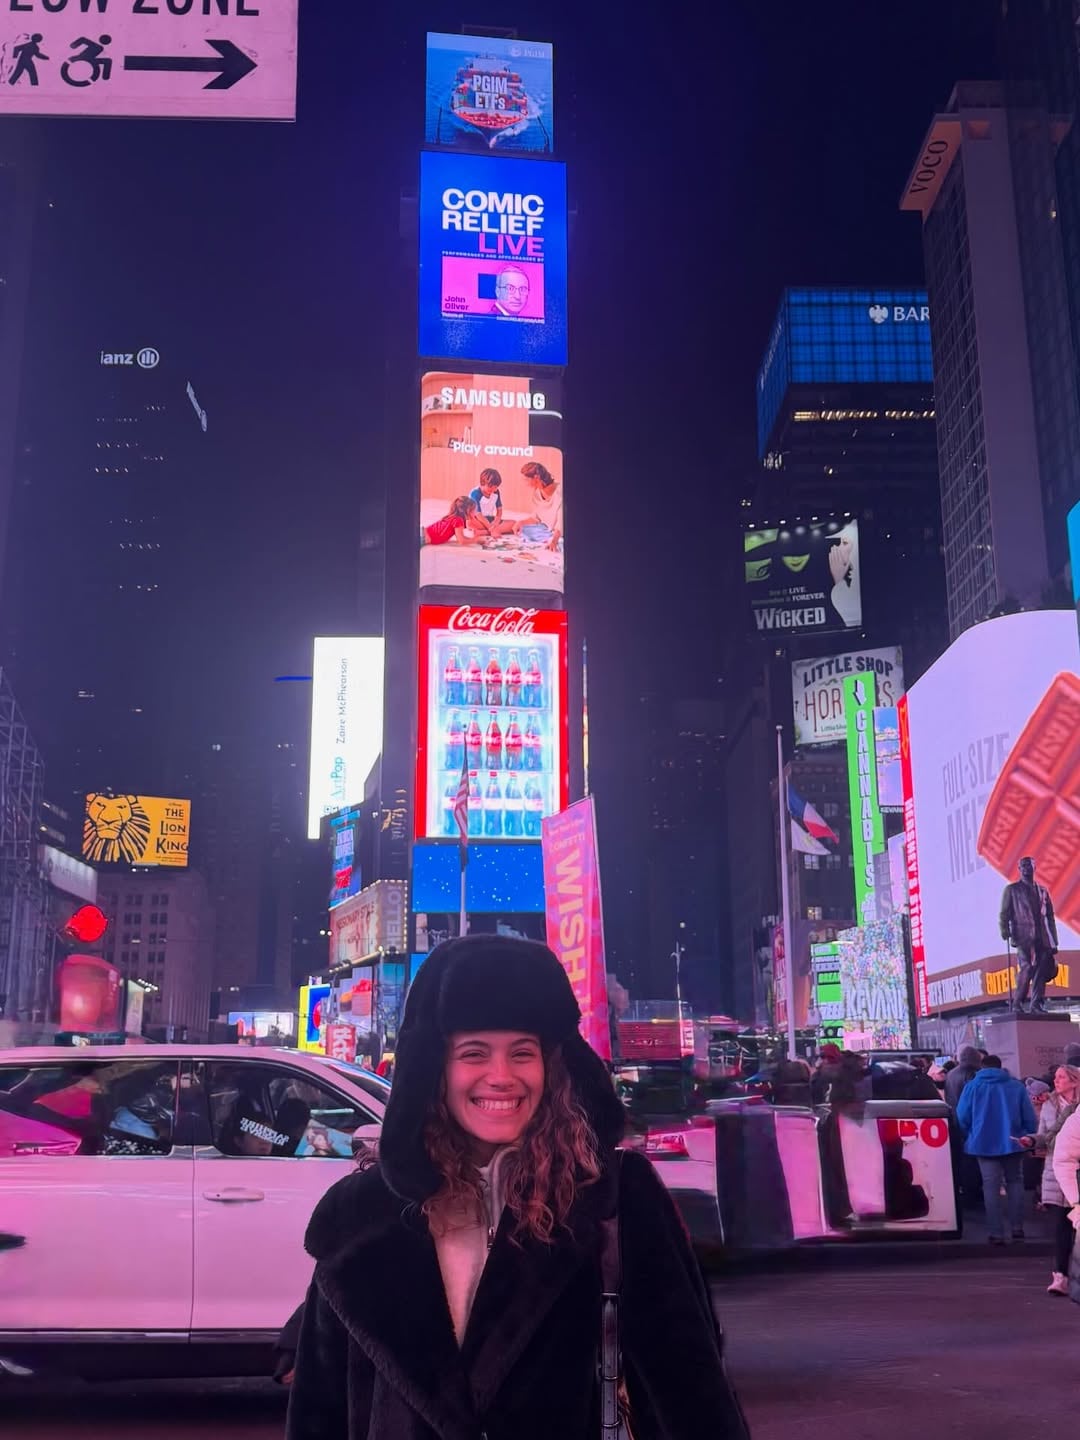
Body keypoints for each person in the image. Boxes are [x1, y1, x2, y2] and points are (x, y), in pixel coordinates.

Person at [286, 935, 750, 1439]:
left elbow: (692, 1394)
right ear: (434, 1070)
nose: (501, 1076)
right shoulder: (361, 1214)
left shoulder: (615, 1198)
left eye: (522, 1053)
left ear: (553, 1068)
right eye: (475, 1053)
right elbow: (321, 1411)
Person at [956, 1055, 1037, 1245]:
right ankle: (1017, 1229)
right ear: (1001, 1068)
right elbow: (1029, 1117)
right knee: (1015, 1183)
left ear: (981, 1068)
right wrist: (1028, 1136)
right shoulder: (1016, 1086)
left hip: (982, 1144)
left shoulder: (972, 1087)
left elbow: (961, 1117)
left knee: (990, 1188)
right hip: (1014, 1142)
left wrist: (970, 1135)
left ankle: (996, 1233)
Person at [1036, 1066, 1080, 1294]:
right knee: (1060, 1227)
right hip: (1055, 1175)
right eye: (1056, 1077)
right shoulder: (1049, 1106)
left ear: (1074, 1081)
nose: (1056, 1080)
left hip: (1073, 1172)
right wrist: (1032, 1140)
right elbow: (1044, 1136)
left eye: (1062, 1077)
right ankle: (1060, 1276)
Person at [999, 855, 1059, 1013]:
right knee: (1026, 968)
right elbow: (1005, 913)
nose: (1026, 868)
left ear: (1034, 867)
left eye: (1029, 865)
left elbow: (1050, 917)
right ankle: (1017, 1003)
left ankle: (1036, 1004)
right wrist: (1005, 930)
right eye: (1023, 866)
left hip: (1043, 938)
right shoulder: (1012, 890)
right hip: (1023, 937)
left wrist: (1054, 941)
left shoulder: (1043, 891)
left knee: (1041, 971)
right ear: (1019, 869)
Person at [515, 461, 563, 552]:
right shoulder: (537, 494)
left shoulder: (560, 492)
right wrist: (521, 522)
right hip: (548, 530)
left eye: (525, 479)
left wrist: (554, 540)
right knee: (524, 530)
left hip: (561, 532)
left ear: (536, 477)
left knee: (561, 543)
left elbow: (561, 522)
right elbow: (536, 518)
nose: (524, 482)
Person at [468, 468, 513, 538]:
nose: (493, 489)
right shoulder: (475, 493)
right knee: (469, 523)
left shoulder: (496, 492)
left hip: (490, 519)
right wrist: (491, 528)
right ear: (482, 483)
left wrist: (496, 522)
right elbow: (478, 515)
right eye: (490, 486)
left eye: (495, 487)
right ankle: (491, 530)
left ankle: (483, 532)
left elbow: (499, 510)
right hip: (477, 519)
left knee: (514, 524)